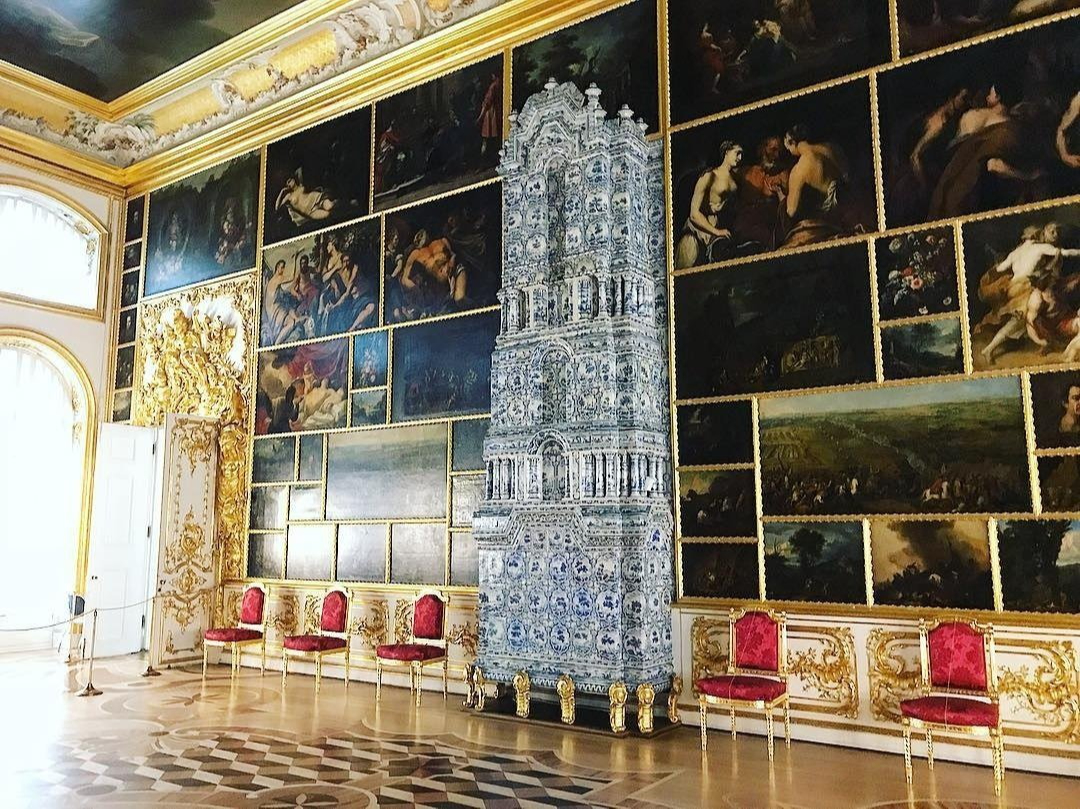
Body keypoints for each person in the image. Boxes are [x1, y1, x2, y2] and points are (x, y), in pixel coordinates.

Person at [978, 222, 1080, 363]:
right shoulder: (1040, 247)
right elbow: (1066, 253)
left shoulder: (1015, 253)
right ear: (1037, 236)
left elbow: (1000, 268)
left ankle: (989, 349)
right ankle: (990, 349)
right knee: (1020, 320)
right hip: (1024, 288)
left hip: (1011, 287)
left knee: (1019, 320)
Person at [675, 141, 744, 269]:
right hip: (699, 228)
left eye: (741, 154)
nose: (740, 158)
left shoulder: (736, 180)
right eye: (737, 153)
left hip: (720, 228)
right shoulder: (708, 176)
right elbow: (694, 214)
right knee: (689, 257)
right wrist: (717, 232)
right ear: (727, 152)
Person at [779, 124, 850, 247]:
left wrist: (782, 199)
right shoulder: (831, 147)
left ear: (792, 142)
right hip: (845, 213)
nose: (789, 152)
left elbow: (791, 211)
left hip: (824, 226)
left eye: (788, 147)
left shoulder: (799, 169)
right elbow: (846, 178)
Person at [477, 71, 502, 157]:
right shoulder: (501, 84)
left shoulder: (493, 86)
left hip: (491, 115)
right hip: (498, 112)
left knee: (487, 138)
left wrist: (480, 118)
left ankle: (485, 157)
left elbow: (487, 103)